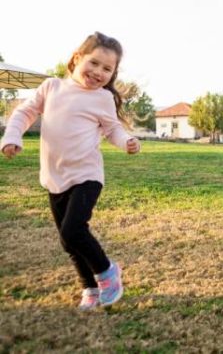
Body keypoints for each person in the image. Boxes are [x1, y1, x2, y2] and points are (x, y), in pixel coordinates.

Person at [1, 32, 141, 309]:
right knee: (68, 241)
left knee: (74, 230)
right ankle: (89, 288)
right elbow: (24, 113)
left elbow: (112, 128)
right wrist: (12, 137)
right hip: (55, 178)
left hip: (86, 176)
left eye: (107, 69)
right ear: (77, 58)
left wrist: (126, 141)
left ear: (112, 74)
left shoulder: (102, 99)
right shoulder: (51, 87)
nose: (98, 72)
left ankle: (107, 272)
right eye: (94, 63)